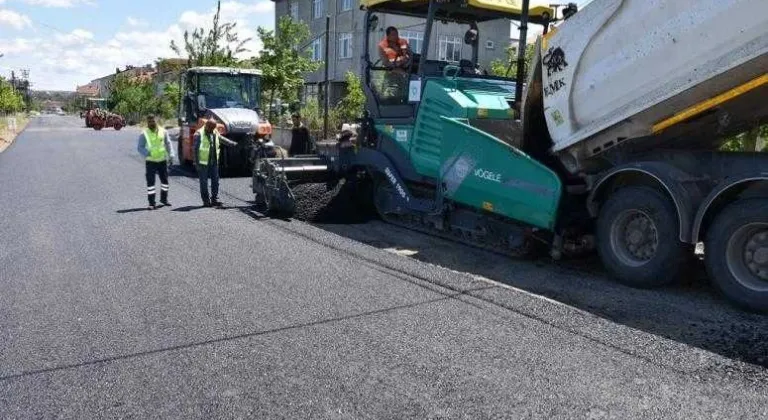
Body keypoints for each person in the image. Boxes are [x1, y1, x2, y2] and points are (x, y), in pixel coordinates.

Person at [193, 119, 237, 207]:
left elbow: (220, 138)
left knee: (215, 181)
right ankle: (206, 200)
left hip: (214, 161)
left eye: (214, 128)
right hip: (203, 162)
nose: (213, 129)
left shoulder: (214, 131)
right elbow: (195, 150)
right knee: (203, 182)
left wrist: (231, 143)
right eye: (211, 128)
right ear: (207, 126)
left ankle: (214, 199)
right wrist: (196, 163)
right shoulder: (199, 134)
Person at [137, 115, 174, 210]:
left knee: (165, 181)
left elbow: (168, 143)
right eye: (149, 122)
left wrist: (171, 155)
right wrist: (147, 153)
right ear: (147, 122)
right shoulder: (144, 133)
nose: (151, 123)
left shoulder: (163, 131)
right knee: (151, 183)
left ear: (156, 121)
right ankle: (151, 203)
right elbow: (140, 147)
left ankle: (164, 199)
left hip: (162, 160)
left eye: (153, 121)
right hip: (151, 162)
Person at [378, 26, 412, 102]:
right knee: (391, 96)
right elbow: (386, 63)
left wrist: (407, 62)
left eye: (396, 34)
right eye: (393, 35)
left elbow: (411, 56)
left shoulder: (403, 42)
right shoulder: (382, 46)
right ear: (388, 36)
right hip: (391, 75)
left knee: (406, 96)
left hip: (405, 73)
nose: (396, 36)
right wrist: (398, 64)